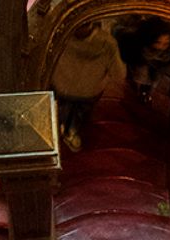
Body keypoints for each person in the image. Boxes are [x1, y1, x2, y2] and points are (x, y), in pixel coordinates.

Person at [51, 20, 125, 151]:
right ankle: (71, 133)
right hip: (89, 90)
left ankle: (61, 128)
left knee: (63, 109)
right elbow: (119, 73)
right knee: (80, 115)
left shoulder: (59, 37)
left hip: (62, 85)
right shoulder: (107, 43)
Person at [114, 16, 170, 102]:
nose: (161, 46)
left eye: (165, 43)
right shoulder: (138, 42)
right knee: (140, 76)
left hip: (160, 63)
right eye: (158, 42)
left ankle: (145, 92)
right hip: (142, 60)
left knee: (154, 79)